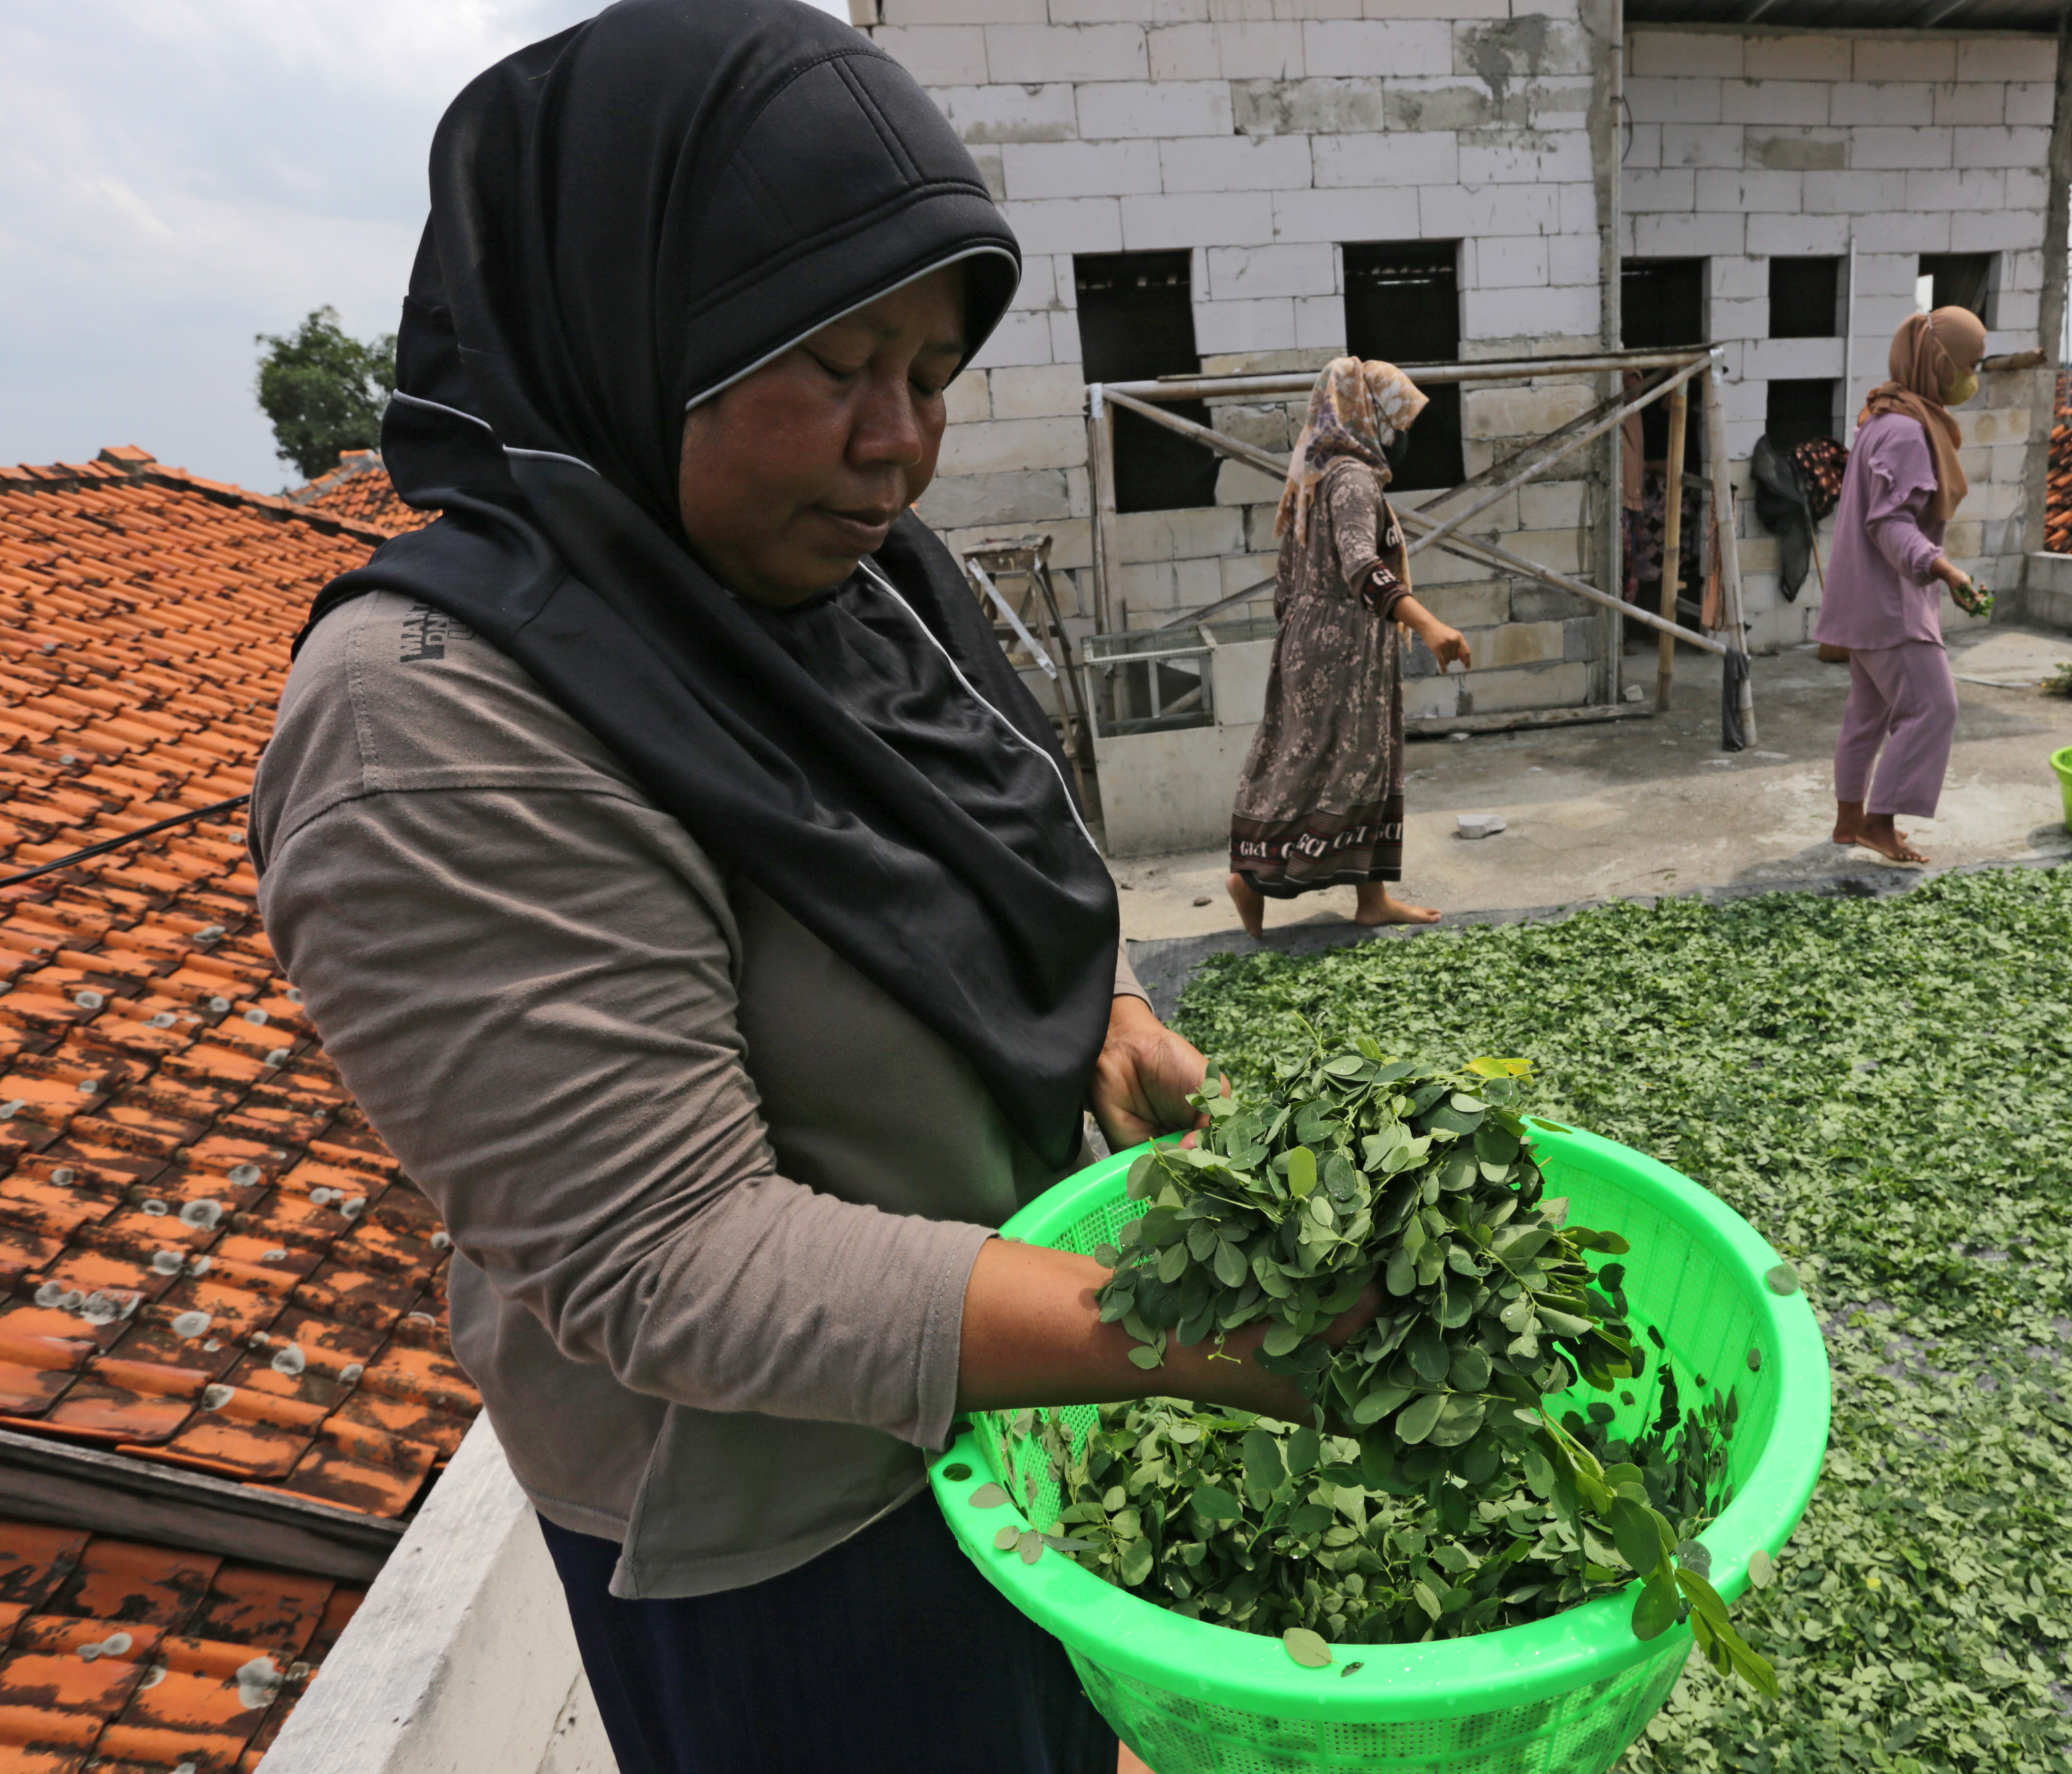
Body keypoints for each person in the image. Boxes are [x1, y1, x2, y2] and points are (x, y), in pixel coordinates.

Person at [246, 7, 1367, 1769]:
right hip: (780, 1545)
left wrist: (1109, 1022)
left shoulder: (852, 592)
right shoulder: (435, 720)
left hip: (1003, 1436)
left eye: (931, 372)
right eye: (841, 358)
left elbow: (992, 858)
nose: (898, 444)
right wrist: (1213, 1327)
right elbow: (669, 1257)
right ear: (638, 326)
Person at [1222, 358, 1472, 937]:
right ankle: (1251, 878)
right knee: (1324, 765)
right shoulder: (1353, 479)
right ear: (1371, 416)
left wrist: (1299, 646)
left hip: (1315, 642)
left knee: (1353, 762)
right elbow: (1362, 566)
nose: (1401, 437)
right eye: (1398, 422)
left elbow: (1287, 579)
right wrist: (1430, 625)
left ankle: (1372, 897)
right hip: (1343, 649)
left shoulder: (1315, 472)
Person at [1813, 307, 1989, 865]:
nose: (1972, 377)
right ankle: (1879, 823)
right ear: (1938, 363)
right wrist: (1946, 569)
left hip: (1861, 603)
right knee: (1934, 707)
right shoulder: (1909, 431)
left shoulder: (1881, 417)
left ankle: (1848, 823)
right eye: (1968, 364)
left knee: (1868, 715)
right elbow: (1889, 523)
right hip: (1891, 607)